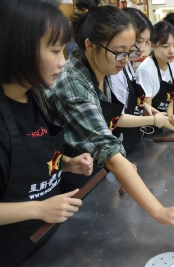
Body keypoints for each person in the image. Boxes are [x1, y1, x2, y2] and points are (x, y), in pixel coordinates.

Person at [48, 0, 174, 235]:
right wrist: (159, 211)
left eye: (130, 51)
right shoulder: (74, 85)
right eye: (119, 52)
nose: (126, 60)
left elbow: (108, 123)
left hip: (92, 171)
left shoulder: (101, 67)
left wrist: (121, 165)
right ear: (90, 45)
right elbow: (108, 149)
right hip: (72, 186)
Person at [0, 0, 94, 265]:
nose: (63, 61)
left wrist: (65, 163)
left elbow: (28, 159)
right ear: (18, 49)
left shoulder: (35, 96)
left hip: (47, 241)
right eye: (54, 50)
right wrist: (40, 208)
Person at [111, 8, 168, 154]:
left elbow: (133, 97)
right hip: (118, 145)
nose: (142, 48)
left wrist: (145, 108)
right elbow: (117, 118)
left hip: (132, 142)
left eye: (146, 42)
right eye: (138, 41)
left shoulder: (128, 65)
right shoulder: (114, 70)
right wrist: (152, 121)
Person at [136, 21, 174, 131]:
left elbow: (170, 97)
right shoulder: (146, 69)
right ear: (152, 45)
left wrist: (171, 118)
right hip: (147, 129)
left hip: (162, 126)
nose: (172, 51)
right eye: (165, 46)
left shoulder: (172, 65)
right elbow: (147, 112)